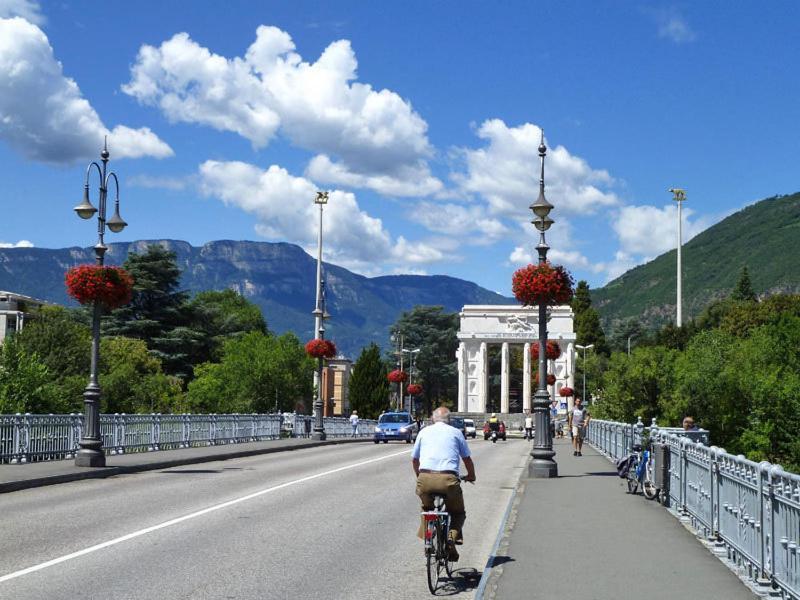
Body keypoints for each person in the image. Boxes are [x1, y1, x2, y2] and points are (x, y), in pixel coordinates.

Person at [412, 406, 476, 562]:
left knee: (427, 508)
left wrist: (420, 477)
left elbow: (414, 460)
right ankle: (450, 539)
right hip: (448, 480)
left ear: (433, 419)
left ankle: (427, 537)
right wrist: (471, 476)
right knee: (458, 513)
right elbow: (467, 459)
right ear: (450, 420)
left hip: (425, 478)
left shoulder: (424, 432)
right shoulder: (456, 432)